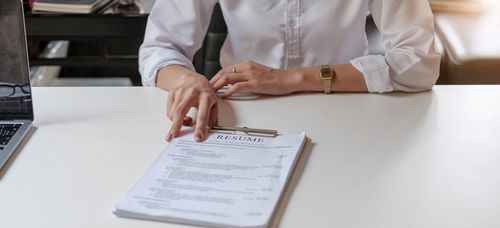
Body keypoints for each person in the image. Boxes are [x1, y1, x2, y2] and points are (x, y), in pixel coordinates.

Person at [139, 0, 440, 142]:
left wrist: (292, 79)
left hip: (347, 113)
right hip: (237, 117)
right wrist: (188, 80)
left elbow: (418, 61)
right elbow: (159, 46)